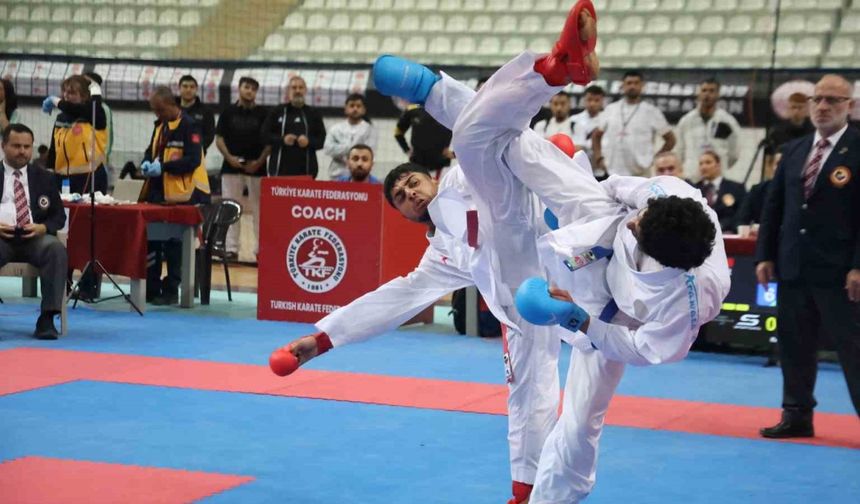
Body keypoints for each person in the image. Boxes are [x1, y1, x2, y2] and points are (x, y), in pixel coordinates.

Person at [269, 6, 599, 503]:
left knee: (482, 140)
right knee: (528, 396)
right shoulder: (439, 256)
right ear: (402, 215)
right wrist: (323, 339)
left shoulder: (458, 180)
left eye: (412, 182)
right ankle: (525, 493)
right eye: (400, 195)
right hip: (527, 297)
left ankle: (553, 73)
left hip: (555, 228)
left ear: (428, 176)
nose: (409, 192)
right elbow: (394, 300)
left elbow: (478, 144)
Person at [447, 13, 729, 502]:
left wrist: (580, 321)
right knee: (505, 146)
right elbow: (621, 189)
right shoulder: (671, 194)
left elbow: (641, 350)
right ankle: (553, 70)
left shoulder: (686, 302)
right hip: (604, 215)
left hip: (613, 316)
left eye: (643, 229)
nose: (643, 219)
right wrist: (575, 204)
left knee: (578, 426)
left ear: (661, 258)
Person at [756, 74, 860, 438]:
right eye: (818, 99)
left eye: (833, 100)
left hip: (841, 271)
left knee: (854, 349)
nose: (823, 106)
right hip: (794, 265)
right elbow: (775, 207)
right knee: (794, 345)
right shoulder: (797, 149)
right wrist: (764, 255)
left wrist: (858, 264)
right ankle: (797, 413)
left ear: (850, 106)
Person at [141, 86, 211, 305]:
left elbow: (193, 160)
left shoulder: (190, 126)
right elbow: (151, 150)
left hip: (185, 195)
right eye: (154, 111)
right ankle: (150, 288)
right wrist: (146, 162)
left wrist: (164, 167)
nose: (157, 115)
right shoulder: (160, 126)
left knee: (174, 242)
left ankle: (171, 290)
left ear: (172, 105)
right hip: (158, 192)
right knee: (150, 239)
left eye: (160, 110)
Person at [0, 124, 67, 339]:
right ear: (3, 146)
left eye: (27, 146)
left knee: (55, 249)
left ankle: (47, 318)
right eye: (16, 146)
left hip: (34, 238)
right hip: (2, 238)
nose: (22, 151)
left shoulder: (44, 178)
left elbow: (59, 216)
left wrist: (43, 227)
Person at [215, 76, 270, 262]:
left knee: (260, 210)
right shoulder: (228, 112)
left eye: (253, 89)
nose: (249, 91)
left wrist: (259, 161)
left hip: (257, 168)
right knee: (230, 208)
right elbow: (219, 139)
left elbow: (269, 143)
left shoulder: (264, 113)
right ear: (239, 88)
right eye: (246, 87)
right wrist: (229, 158)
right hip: (231, 166)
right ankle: (231, 248)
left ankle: (260, 250)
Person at [592, 70, 674, 177]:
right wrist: (599, 158)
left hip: (641, 172)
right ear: (622, 85)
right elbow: (596, 136)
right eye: (629, 83)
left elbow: (671, 140)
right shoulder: (610, 109)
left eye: (636, 83)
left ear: (642, 86)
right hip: (613, 171)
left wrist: (654, 159)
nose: (632, 86)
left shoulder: (651, 111)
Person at [43, 75, 108, 195]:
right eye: (65, 92)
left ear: (84, 96)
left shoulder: (94, 115)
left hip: (89, 178)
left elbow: (77, 108)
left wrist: (55, 101)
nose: (66, 96)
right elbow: (54, 149)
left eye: (72, 93)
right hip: (62, 178)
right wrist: (49, 171)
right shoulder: (60, 118)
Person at [675, 78, 742, 177]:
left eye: (711, 91)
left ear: (718, 94)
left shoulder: (727, 121)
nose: (707, 94)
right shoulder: (686, 121)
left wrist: (721, 165)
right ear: (699, 93)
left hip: (717, 176)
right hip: (692, 175)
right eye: (704, 90)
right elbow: (679, 150)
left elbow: (734, 153)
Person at [262, 75, 326, 178]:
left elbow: (322, 140)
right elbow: (264, 135)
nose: (297, 91)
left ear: (305, 91)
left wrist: (308, 141)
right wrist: (282, 140)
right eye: (294, 87)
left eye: (300, 87)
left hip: (307, 171)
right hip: (279, 171)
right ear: (288, 91)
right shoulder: (277, 111)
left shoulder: (313, 113)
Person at [323, 93, 377, 180]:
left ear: (364, 110)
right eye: (352, 106)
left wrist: (340, 149)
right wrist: (349, 148)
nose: (355, 108)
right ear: (345, 109)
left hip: (361, 176)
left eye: (358, 106)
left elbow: (370, 153)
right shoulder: (335, 129)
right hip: (336, 175)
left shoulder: (369, 130)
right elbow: (327, 149)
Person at [394, 103, 454, 181]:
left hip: (441, 166)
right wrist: (407, 150)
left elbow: (467, 133)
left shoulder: (450, 109)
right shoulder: (412, 110)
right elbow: (398, 133)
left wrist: (454, 154)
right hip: (417, 165)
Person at [694, 150, 747, 232]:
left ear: (718, 165)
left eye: (708, 162)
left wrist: (722, 226)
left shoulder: (736, 188)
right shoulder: (694, 189)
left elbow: (741, 214)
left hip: (727, 234)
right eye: (701, 164)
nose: (703, 167)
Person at [83, 72, 114, 173]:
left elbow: (107, 137)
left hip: (97, 162)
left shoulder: (103, 109)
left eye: (86, 83)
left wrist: (101, 159)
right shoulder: (82, 107)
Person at [177, 75, 215, 154]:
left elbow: (209, 136)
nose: (188, 90)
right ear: (179, 88)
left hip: (196, 157)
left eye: (192, 87)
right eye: (185, 86)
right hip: (173, 155)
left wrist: (196, 147)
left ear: (196, 89)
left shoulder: (206, 111)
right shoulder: (172, 109)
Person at [569, 84, 605, 165]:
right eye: (589, 100)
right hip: (577, 165)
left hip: (598, 165)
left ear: (602, 101)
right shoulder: (573, 119)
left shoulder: (607, 120)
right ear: (584, 100)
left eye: (596, 100)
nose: (592, 104)